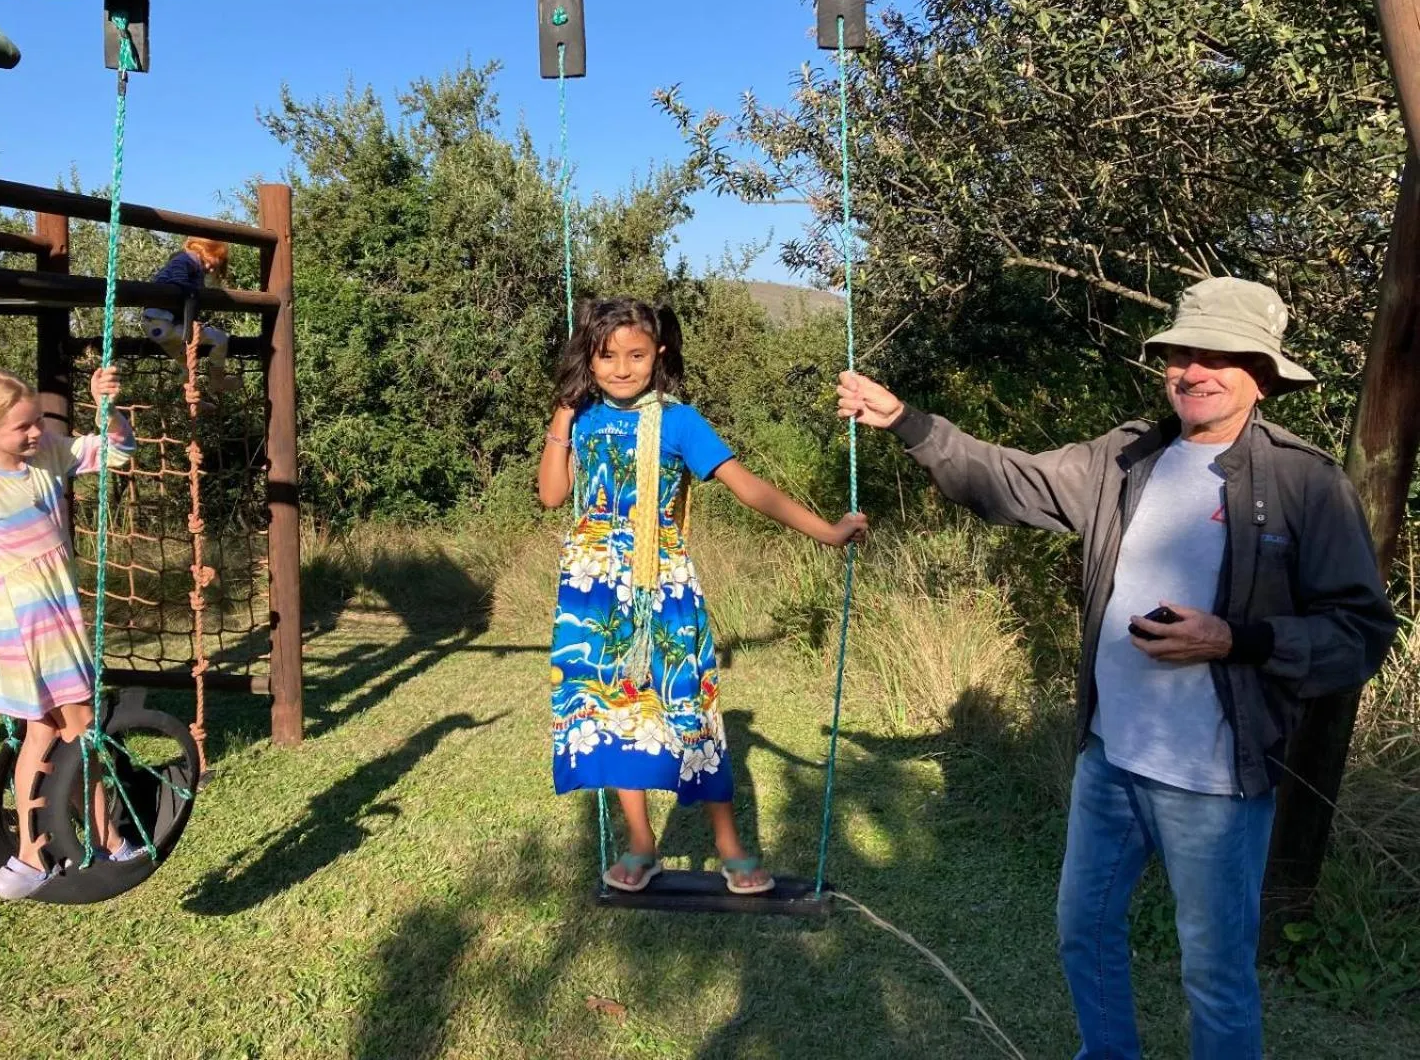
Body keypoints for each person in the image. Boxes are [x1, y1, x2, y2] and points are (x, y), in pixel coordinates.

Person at [836, 277, 1395, 1059]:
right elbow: (1014, 480)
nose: (1195, 370)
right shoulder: (1126, 455)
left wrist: (1235, 639)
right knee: (1083, 935)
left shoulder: (1306, 483)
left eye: (1221, 357)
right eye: (1182, 353)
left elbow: (1360, 635)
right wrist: (906, 421)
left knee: (1216, 975)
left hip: (1216, 784)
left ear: (1261, 376)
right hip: (1110, 758)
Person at [539, 297, 866, 894]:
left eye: (635, 355)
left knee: (689, 706)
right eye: (606, 355)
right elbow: (554, 496)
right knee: (610, 713)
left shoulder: (680, 422)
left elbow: (749, 489)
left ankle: (728, 846)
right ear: (588, 356)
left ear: (658, 353)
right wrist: (562, 414)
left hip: (662, 586)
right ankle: (642, 846)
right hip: (590, 589)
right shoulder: (580, 418)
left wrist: (825, 532)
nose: (620, 367)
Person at [0, 367, 142, 899]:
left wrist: (107, 409)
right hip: (19, 619)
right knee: (78, 730)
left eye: (35, 423)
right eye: (21, 429)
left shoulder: (49, 454)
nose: (34, 434)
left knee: (46, 732)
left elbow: (119, 453)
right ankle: (87, 842)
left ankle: (43, 850)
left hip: (57, 612)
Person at [141, 237, 241, 395]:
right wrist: (186, 287)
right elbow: (178, 272)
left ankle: (193, 399)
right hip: (164, 323)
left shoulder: (190, 263)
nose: (210, 269)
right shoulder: (189, 258)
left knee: (187, 366)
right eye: (215, 263)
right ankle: (217, 380)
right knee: (220, 339)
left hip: (155, 325)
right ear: (209, 250)